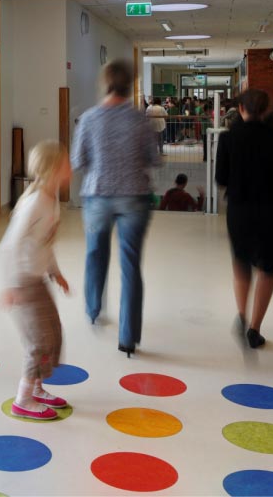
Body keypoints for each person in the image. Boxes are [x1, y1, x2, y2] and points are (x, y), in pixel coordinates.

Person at [71, 60, 159, 358]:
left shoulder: (89, 118)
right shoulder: (140, 119)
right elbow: (154, 158)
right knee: (130, 264)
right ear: (131, 84)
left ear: (104, 82)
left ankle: (94, 309)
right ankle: (128, 337)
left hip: (98, 196)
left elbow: (78, 161)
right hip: (134, 197)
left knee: (95, 254)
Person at [214, 89, 273, 349]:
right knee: (267, 268)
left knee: (241, 262)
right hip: (272, 210)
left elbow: (221, 179)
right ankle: (255, 328)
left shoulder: (228, 138)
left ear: (240, 109)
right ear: (265, 111)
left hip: (239, 210)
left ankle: (241, 313)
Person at [0, 140, 72, 421]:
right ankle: (23, 399)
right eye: (66, 164)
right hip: (23, 281)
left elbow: (44, 244)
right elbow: (8, 246)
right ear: (54, 168)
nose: (71, 168)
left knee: (53, 332)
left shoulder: (51, 200)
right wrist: (7, 286)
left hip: (37, 278)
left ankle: (38, 388)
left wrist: (55, 272)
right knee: (39, 341)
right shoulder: (35, 203)